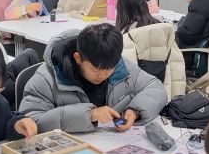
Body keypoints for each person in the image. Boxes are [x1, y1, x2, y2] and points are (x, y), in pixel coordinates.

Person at [19, 23, 168, 133]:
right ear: (78, 58)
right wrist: (89, 115)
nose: (103, 76)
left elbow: (155, 87)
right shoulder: (46, 78)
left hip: (108, 147)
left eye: (109, 69)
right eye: (95, 70)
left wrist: (134, 111)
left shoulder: (120, 66)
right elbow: (29, 121)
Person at [118, 0, 186, 98]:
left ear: (122, 10)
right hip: (164, 85)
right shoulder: (161, 26)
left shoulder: (128, 34)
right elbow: (176, 60)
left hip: (139, 90)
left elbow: (126, 70)